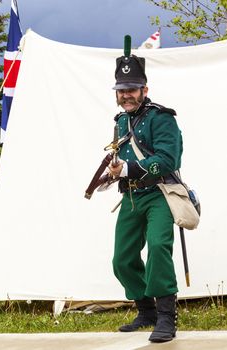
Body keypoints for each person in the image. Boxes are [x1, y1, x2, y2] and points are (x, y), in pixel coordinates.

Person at [107, 47, 183, 343]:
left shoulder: (161, 118)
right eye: (121, 90)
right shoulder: (120, 121)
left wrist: (130, 168)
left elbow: (168, 159)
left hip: (159, 193)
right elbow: (120, 161)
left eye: (132, 89)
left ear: (144, 89)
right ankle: (146, 311)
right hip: (130, 198)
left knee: (158, 247)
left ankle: (166, 317)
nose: (126, 94)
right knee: (122, 259)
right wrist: (111, 174)